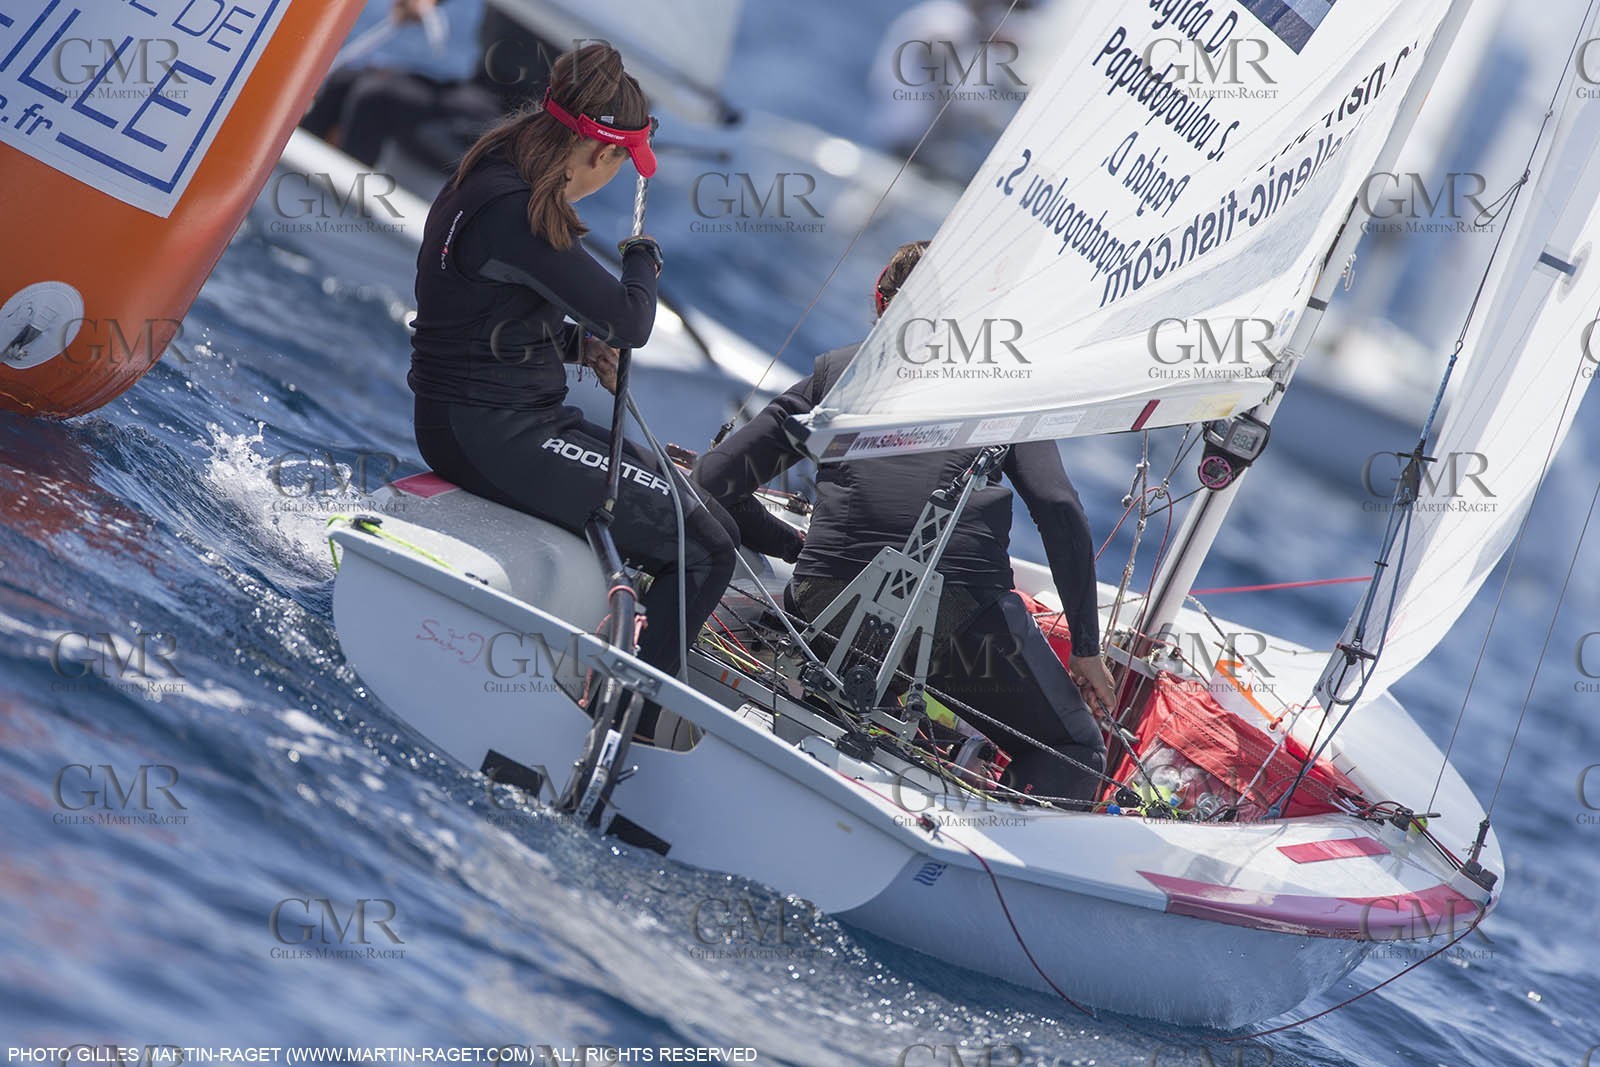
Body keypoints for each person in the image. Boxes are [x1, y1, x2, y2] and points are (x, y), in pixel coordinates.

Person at [692, 241, 1111, 803]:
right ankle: (973, 845)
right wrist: (1086, 647)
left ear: (882, 305)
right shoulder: (1012, 392)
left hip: (822, 604)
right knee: (1074, 753)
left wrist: (794, 546)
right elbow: (1059, 509)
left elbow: (714, 481)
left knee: (862, 658)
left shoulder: (836, 374)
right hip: (959, 630)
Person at [408, 43, 738, 716]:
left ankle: (617, 650)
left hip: (469, 422)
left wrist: (575, 346)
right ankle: (635, 718)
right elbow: (631, 319)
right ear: (601, 155)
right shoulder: (519, 214)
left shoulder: (496, 165)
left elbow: (481, 317)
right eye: (623, 167)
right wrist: (643, 260)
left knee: (697, 511)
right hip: (494, 433)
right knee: (705, 542)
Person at [301, 0, 559, 169]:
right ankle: (287, 177)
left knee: (376, 96)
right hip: (478, 91)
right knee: (343, 80)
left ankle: (341, 208)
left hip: (515, 117)